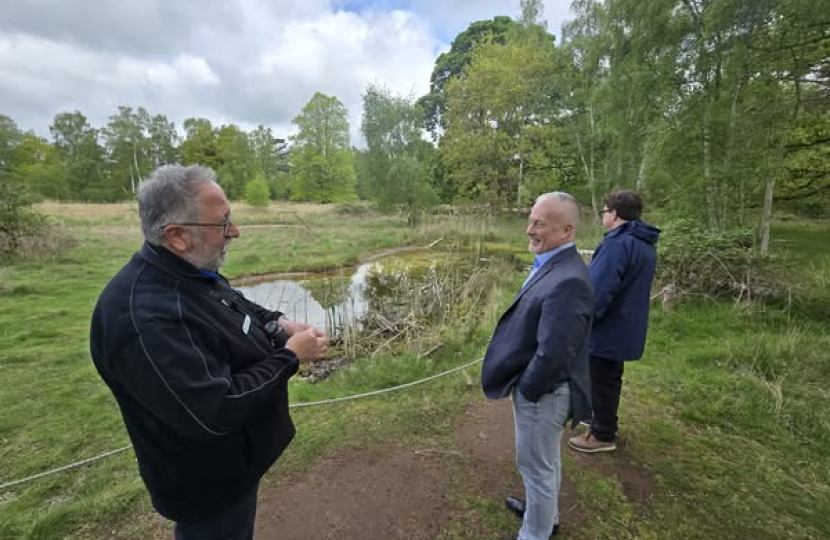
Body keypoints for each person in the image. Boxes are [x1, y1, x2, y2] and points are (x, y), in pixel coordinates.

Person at [89, 165, 329, 540]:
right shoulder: (145, 319)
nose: (234, 232)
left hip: (235, 466)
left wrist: (279, 324)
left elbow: (235, 306)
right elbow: (215, 409)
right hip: (206, 486)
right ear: (178, 236)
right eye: (223, 223)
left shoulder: (188, 272)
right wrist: (290, 356)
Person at [481, 192, 593, 540]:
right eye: (531, 220)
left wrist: (527, 389)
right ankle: (545, 516)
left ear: (567, 231)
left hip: (544, 392)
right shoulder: (553, 263)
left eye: (540, 224)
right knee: (543, 462)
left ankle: (536, 533)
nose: (529, 229)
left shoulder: (569, 280)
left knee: (536, 467)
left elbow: (555, 353)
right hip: (543, 389)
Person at [568, 190, 660, 453]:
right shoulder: (643, 242)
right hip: (624, 324)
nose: (603, 216)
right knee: (608, 376)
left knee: (602, 378)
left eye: (605, 211)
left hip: (608, 326)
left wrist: (583, 319)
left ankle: (602, 434)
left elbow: (599, 290)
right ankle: (599, 418)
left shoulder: (618, 244)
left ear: (615, 214)